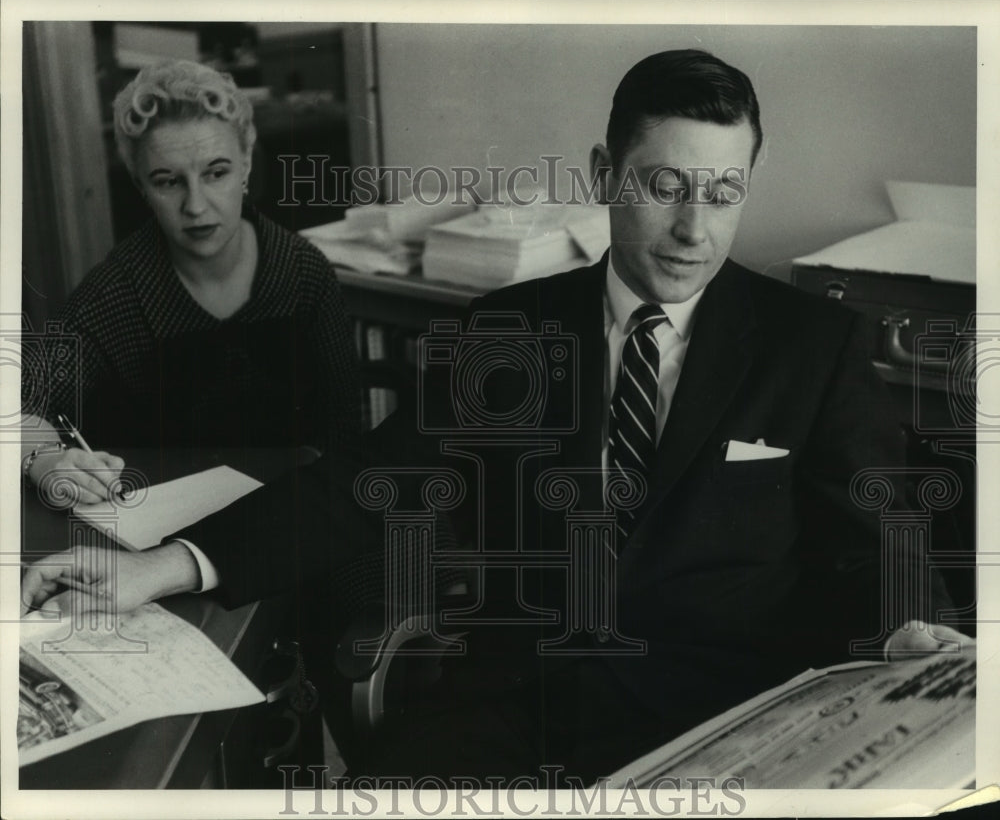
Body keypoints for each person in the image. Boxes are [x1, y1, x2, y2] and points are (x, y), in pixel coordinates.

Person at [22, 50, 971, 783]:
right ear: (606, 172)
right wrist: (161, 565)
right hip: (524, 699)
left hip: (732, 708)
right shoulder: (509, 330)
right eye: (665, 186)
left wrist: (910, 627)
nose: (694, 229)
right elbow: (367, 482)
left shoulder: (813, 344)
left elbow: (876, 543)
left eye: (722, 192)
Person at [20, 59, 360, 504]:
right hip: (167, 538)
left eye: (216, 173)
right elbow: (19, 404)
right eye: (168, 182)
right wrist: (43, 460)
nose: (196, 206)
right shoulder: (112, 298)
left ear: (246, 167)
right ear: (141, 186)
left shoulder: (303, 271)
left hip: (296, 523)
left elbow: (344, 437)